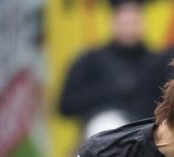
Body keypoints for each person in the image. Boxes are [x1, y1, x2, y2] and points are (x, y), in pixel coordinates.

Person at [59, 0, 157, 137]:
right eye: (124, 22)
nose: (128, 28)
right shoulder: (91, 61)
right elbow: (66, 105)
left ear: (142, 22)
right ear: (112, 22)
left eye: (133, 22)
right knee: (107, 125)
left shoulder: (156, 62)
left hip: (146, 136)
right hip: (100, 134)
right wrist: (107, 91)